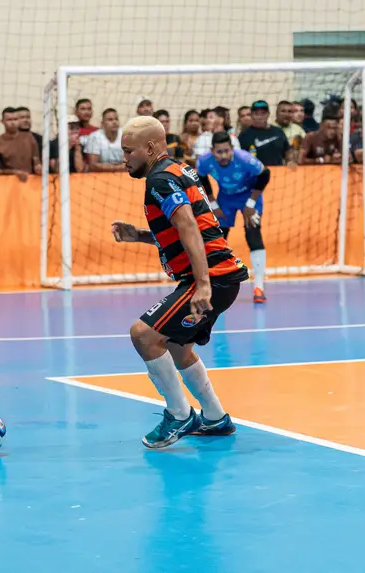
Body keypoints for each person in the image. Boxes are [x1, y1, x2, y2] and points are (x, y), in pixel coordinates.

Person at [110, 116, 249, 449]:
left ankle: (179, 414)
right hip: (220, 276)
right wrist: (140, 236)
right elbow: (186, 227)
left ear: (150, 148)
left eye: (129, 151)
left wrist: (203, 284)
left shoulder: (159, 180)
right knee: (176, 345)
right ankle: (215, 418)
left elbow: (188, 226)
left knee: (143, 334)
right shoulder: (177, 170)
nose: (124, 158)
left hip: (212, 277)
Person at [197, 131, 270, 303]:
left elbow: (265, 174)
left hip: (249, 196)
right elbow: (202, 179)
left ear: (232, 148)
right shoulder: (204, 161)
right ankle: (215, 285)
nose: (223, 155)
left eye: (226, 151)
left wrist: (251, 204)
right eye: (219, 152)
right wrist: (213, 205)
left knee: (253, 233)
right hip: (226, 198)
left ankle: (259, 287)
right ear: (212, 151)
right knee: (218, 239)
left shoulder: (244, 158)